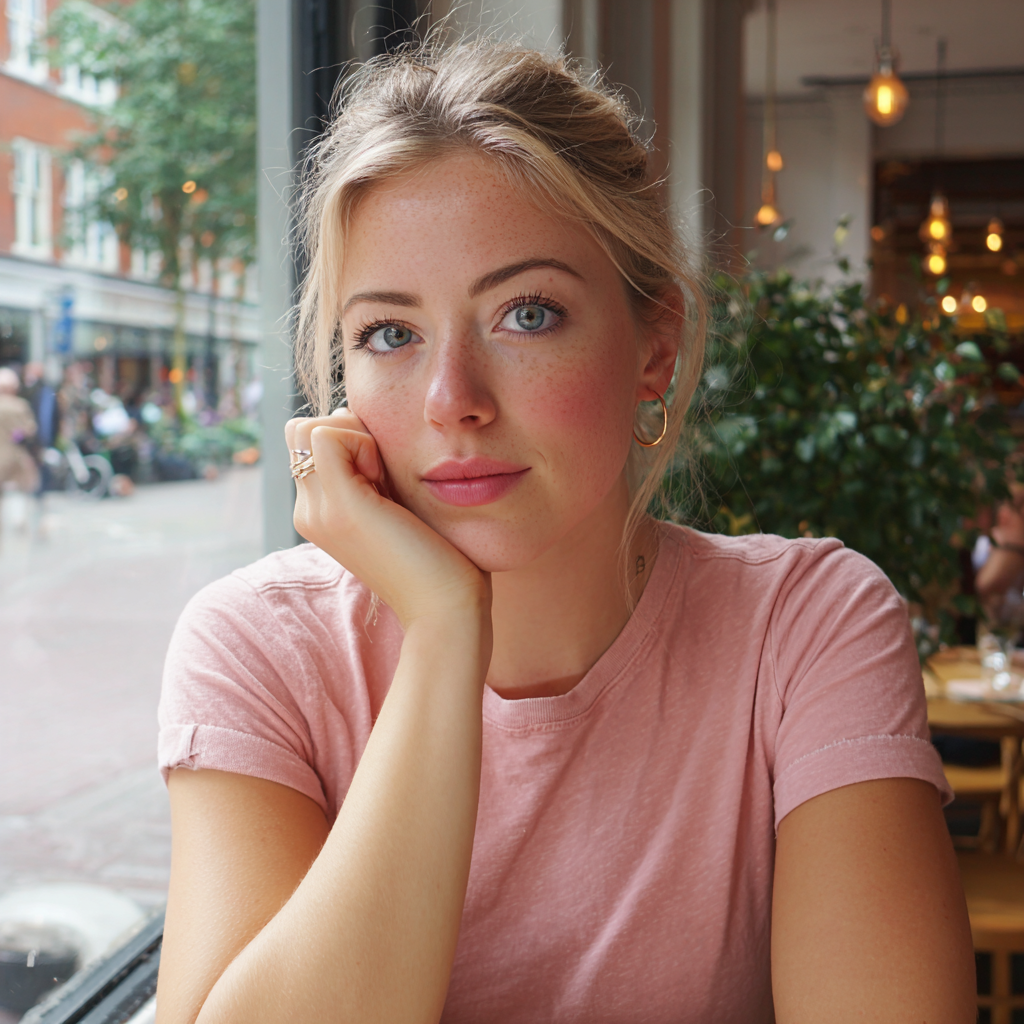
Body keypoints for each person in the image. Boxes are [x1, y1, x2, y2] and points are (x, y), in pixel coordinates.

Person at [156, 40, 975, 1024]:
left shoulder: (806, 626)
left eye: (527, 314)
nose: (451, 399)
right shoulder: (258, 646)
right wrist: (446, 631)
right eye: (389, 333)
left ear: (652, 350)